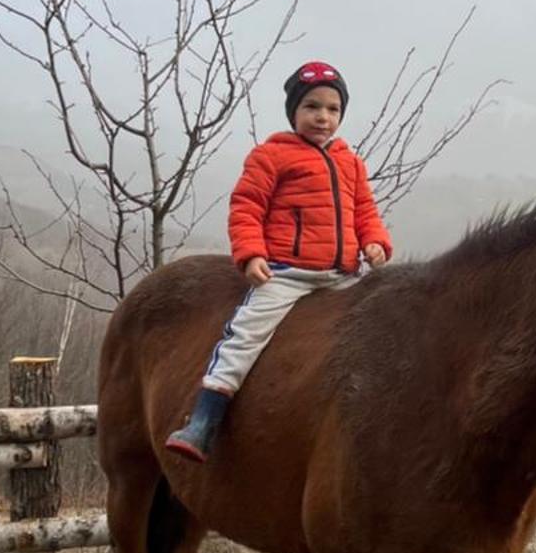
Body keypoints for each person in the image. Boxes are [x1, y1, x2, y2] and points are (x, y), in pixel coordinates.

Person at [165, 60, 392, 462]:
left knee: (379, 331)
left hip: (342, 275)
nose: (323, 117)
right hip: (287, 273)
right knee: (245, 336)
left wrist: (375, 242)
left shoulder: (349, 162)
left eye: (333, 109)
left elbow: (365, 211)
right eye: (312, 107)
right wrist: (250, 254)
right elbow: (246, 207)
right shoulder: (272, 155)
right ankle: (204, 420)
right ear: (294, 112)